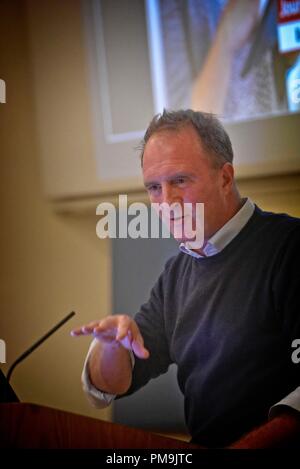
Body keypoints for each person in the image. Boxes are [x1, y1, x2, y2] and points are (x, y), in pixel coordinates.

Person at [71, 110, 300, 448]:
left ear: (225, 177)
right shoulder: (176, 274)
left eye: (180, 181)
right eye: (154, 188)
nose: (166, 202)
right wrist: (111, 347)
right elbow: (115, 382)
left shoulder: (290, 247)